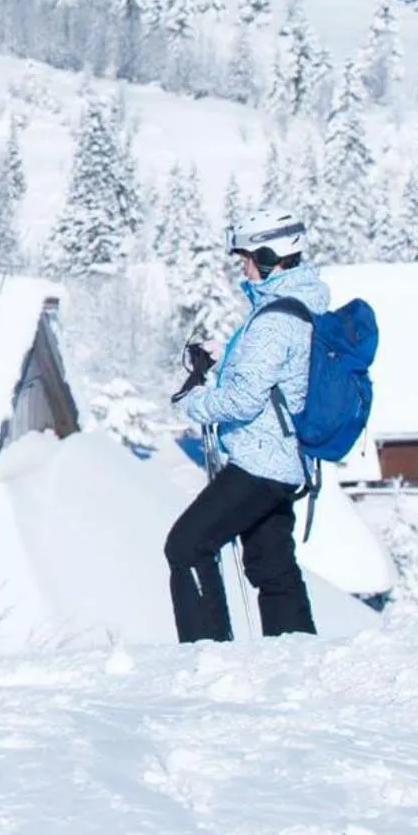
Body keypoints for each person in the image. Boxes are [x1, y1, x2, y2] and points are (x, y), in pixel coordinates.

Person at [166, 209, 324, 643]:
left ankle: (208, 652)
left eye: (248, 257)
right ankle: (296, 655)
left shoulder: (274, 322)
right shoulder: (301, 305)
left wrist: (193, 402)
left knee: (186, 545)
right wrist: (222, 363)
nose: (244, 267)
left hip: (262, 462)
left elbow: (244, 399)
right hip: (287, 460)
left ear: (272, 257)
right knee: (271, 565)